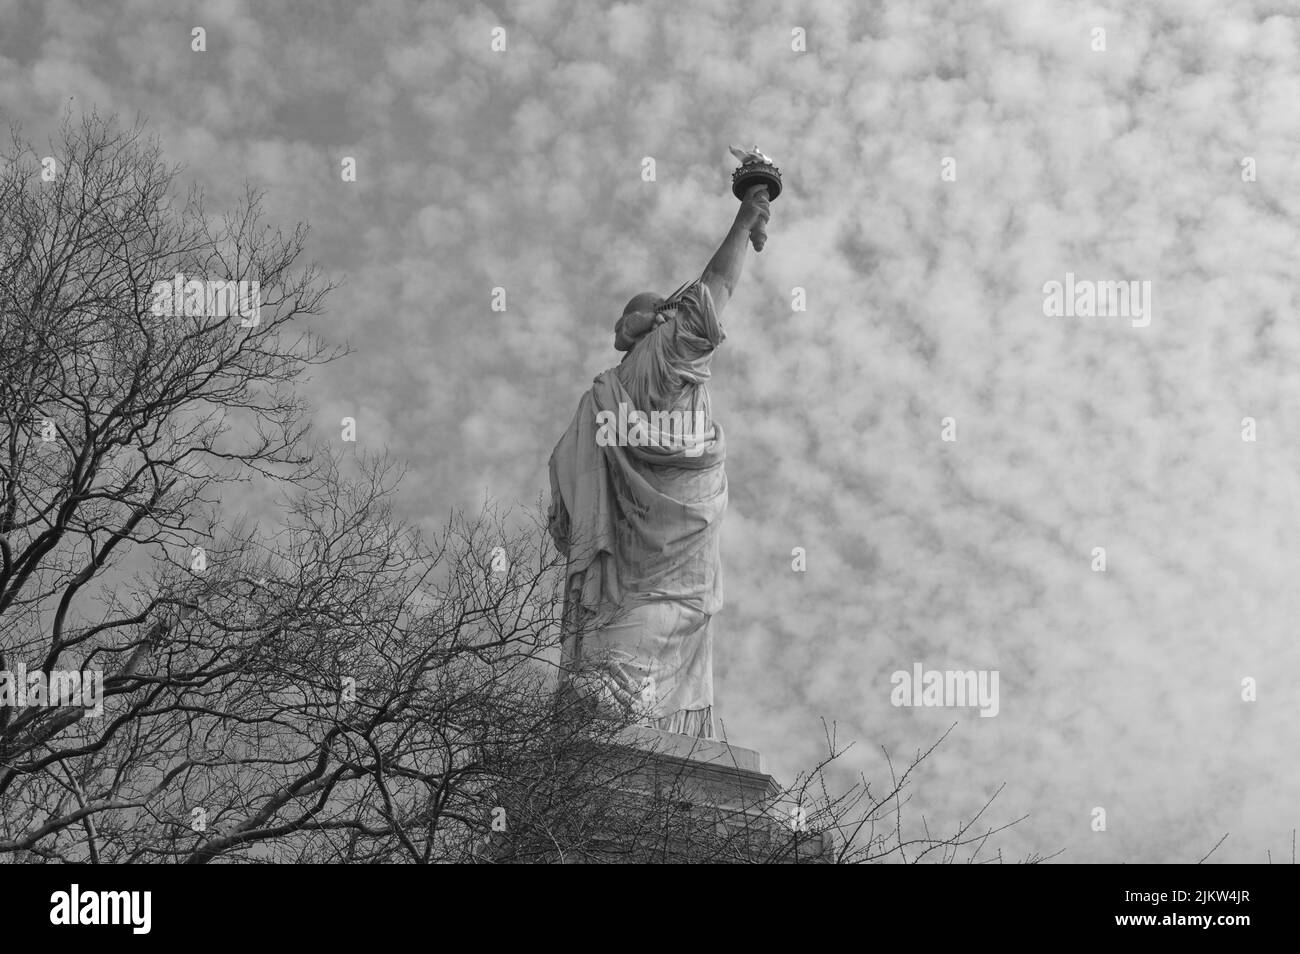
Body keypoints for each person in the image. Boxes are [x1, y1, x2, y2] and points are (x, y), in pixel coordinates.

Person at [548, 185, 771, 738]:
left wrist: (745, 221)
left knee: (614, 664)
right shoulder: (647, 364)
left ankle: (617, 715)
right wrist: (745, 222)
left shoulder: (611, 386)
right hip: (661, 549)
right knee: (624, 664)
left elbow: (563, 511)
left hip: (629, 558)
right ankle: (621, 716)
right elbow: (714, 290)